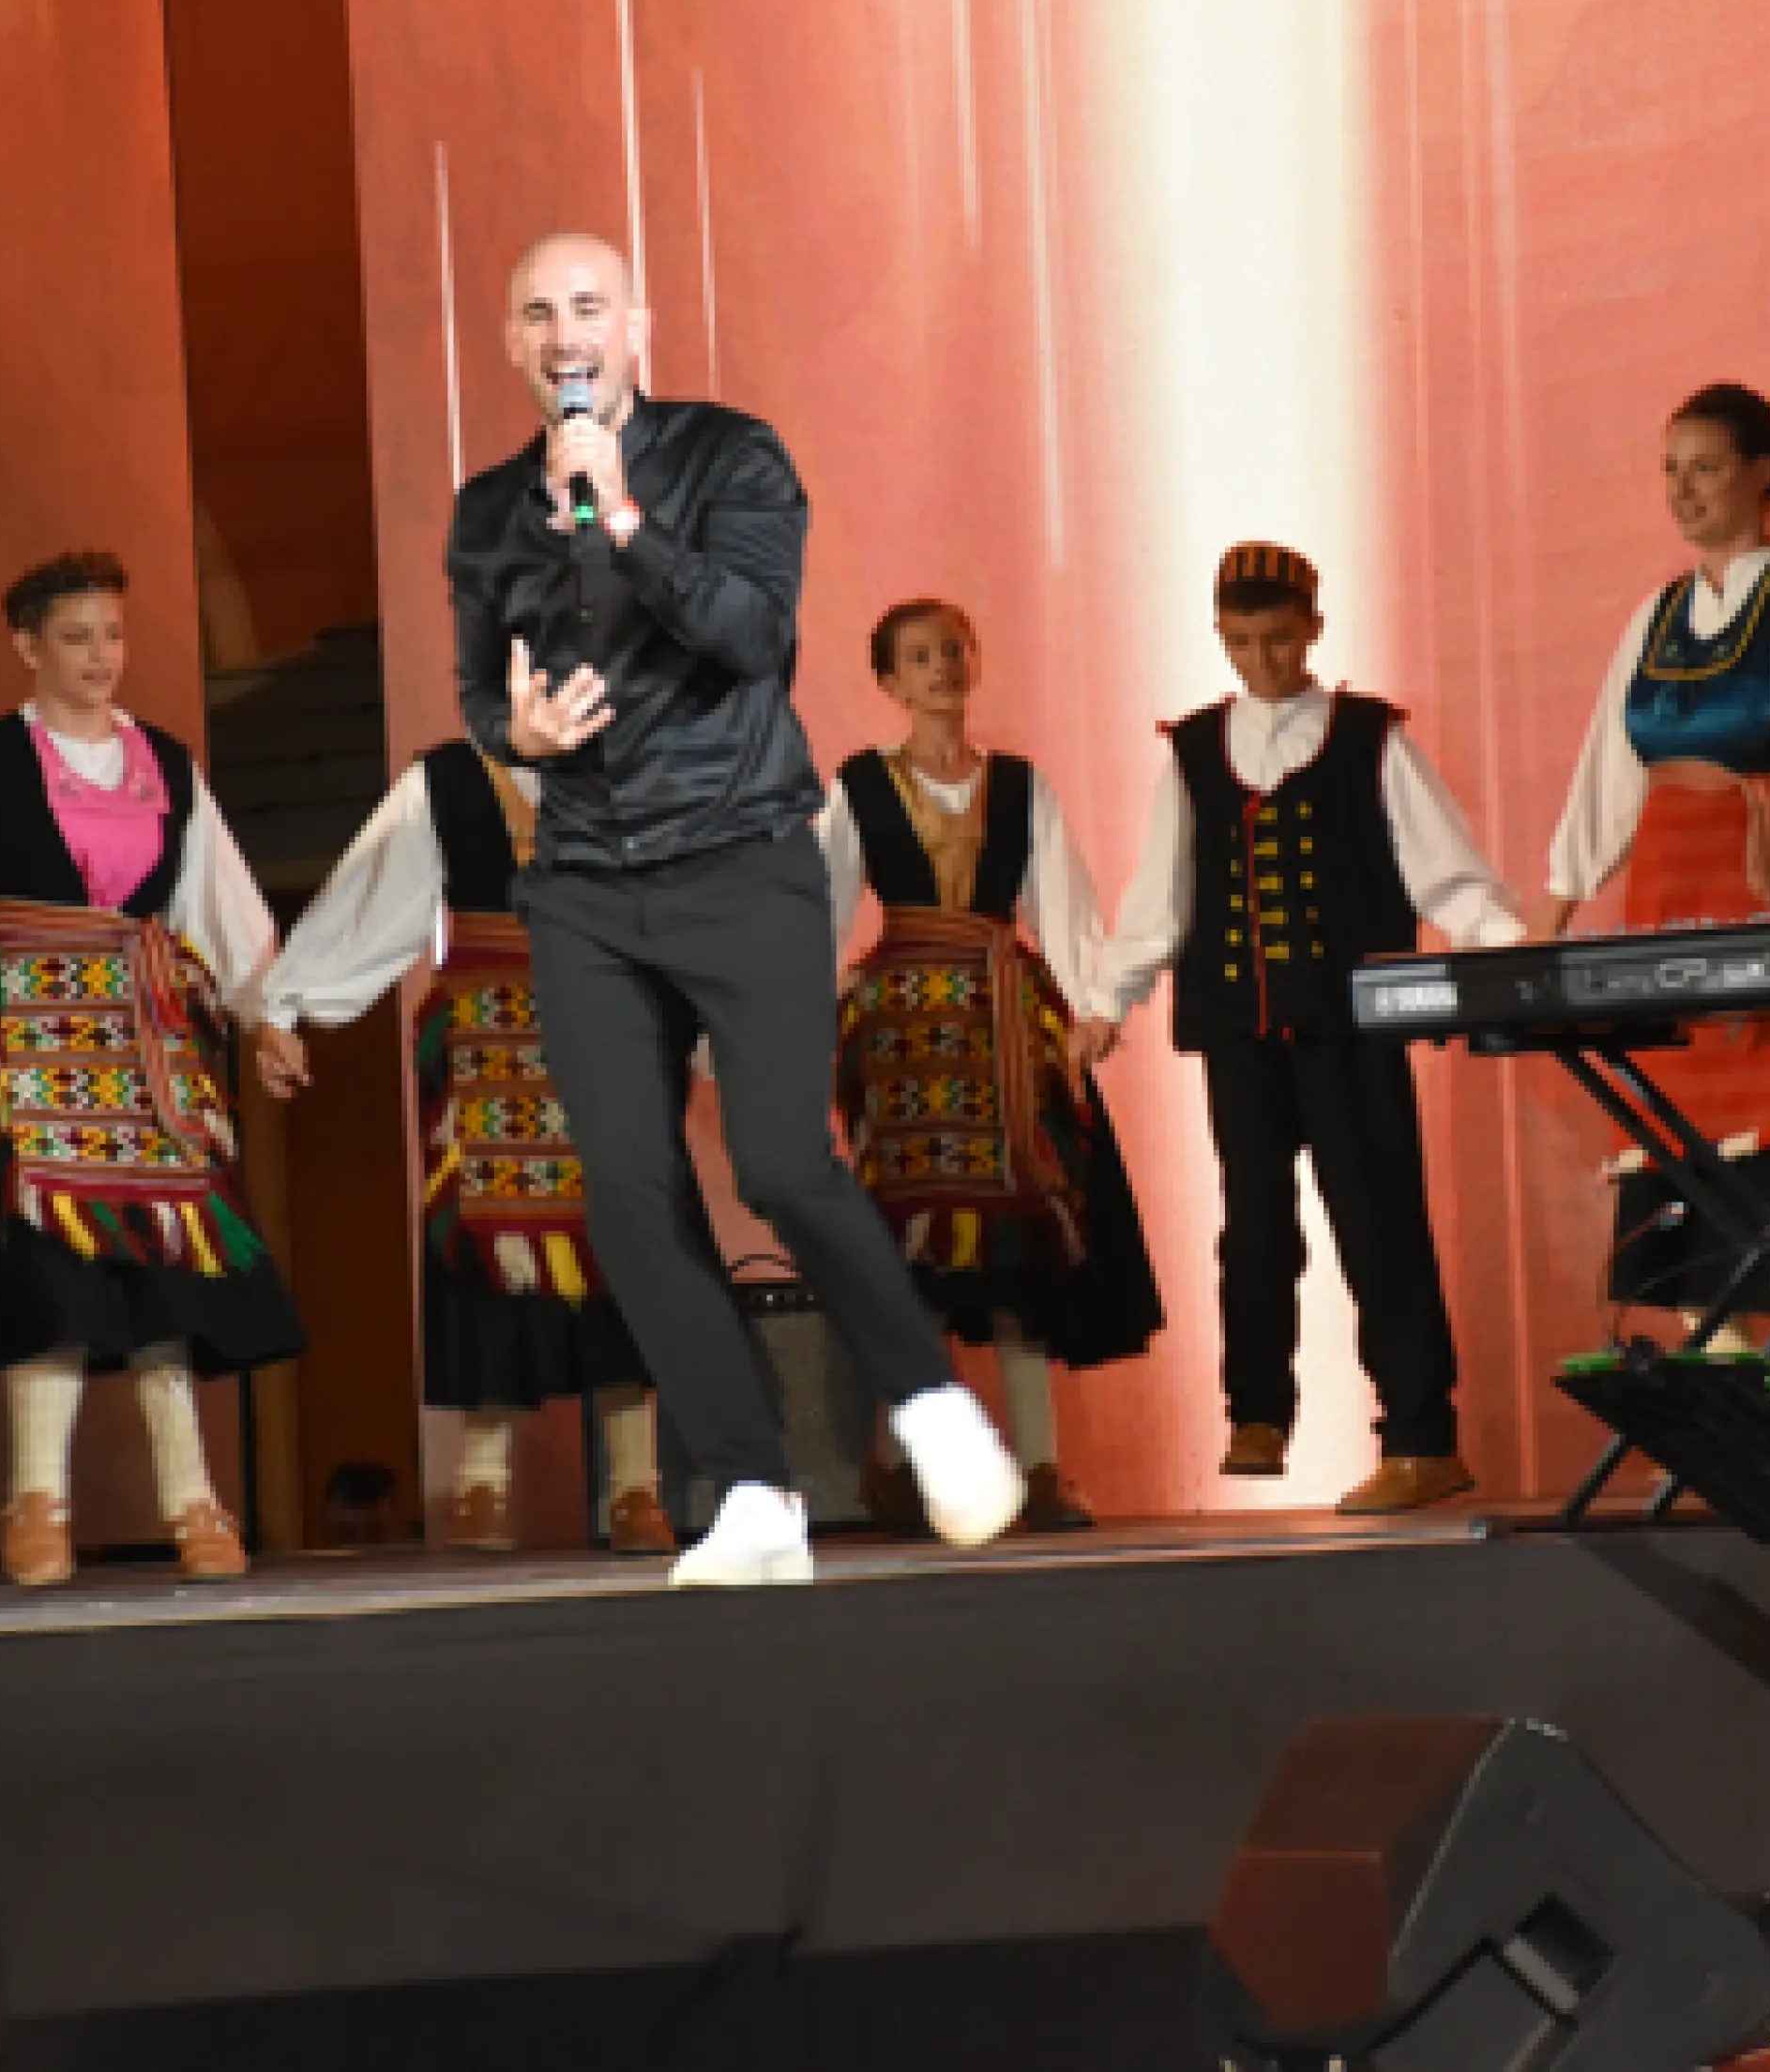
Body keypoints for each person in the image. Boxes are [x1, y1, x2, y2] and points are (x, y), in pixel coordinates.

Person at [446, 231, 1021, 1588]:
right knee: (628, 1190)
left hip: (742, 852)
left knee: (776, 1161)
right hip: (585, 882)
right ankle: (753, 1486)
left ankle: (932, 1401)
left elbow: (757, 636)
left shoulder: (731, 455)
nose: (566, 333)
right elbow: (480, 683)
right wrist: (515, 733)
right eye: (540, 313)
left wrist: (626, 519)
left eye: (589, 306)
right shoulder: (488, 509)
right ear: (514, 343)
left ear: (636, 328)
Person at [0, 552, 300, 1586]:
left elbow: (219, 901)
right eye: (77, 637)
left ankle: (193, 1498)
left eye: (113, 635)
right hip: (27, 1029)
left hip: (148, 1027)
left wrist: (268, 1014)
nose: (100, 657)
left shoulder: (166, 763)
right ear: (28, 646)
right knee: (49, 1254)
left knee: (164, 1250)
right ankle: (38, 1499)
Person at [1082, 542, 1527, 1512]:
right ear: (1220, 637)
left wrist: (1508, 956)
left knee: (1378, 1218)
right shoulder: (1193, 752)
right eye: (1242, 643)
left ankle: (1421, 1435)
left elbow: (1446, 872)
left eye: (1279, 639)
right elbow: (1161, 897)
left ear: (1315, 628)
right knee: (1252, 1225)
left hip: (1349, 1030)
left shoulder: (1370, 739)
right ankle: (1257, 1410)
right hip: (1238, 1030)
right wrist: (1110, 1000)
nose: (1263, 660)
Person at [252, 735, 677, 1558]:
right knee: (483, 1249)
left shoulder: (634, 764)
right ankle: (483, 1480)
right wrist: (289, 1001)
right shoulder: (447, 781)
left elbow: (681, 904)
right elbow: (375, 892)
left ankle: (636, 1484)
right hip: (488, 1035)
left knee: (630, 1247)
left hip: (611, 1028)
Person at [823, 598, 1164, 1536]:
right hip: (903, 1042)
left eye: (952, 650)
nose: (941, 668)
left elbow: (1064, 902)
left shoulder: (1020, 787)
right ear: (889, 683)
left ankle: (1041, 1466)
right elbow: (817, 908)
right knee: (912, 1247)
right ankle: (903, 1467)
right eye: (919, 657)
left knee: (1023, 1239)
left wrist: (1096, 1009)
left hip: (1004, 1029)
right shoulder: (860, 787)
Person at [1530, 385, 1770, 1171]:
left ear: (1762, 473)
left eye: (1705, 468)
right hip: (1669, 898)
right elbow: (1607, 774)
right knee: (1674, 1110)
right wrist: (1548, 924)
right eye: (1671, 470)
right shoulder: (1656, 615)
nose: (1683, 491)